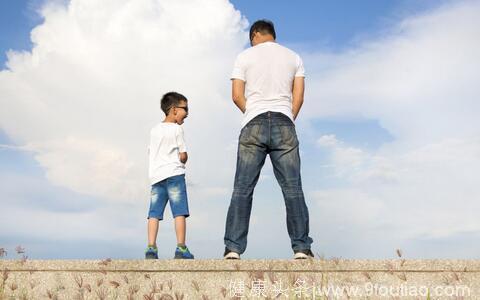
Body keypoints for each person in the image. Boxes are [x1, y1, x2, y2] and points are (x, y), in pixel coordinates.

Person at [224, 20, 314, 259]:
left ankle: (233, 248)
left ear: (255, 34)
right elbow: (299, 96)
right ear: (272, 35)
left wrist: (252, 112)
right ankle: (301, 248)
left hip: (253, 121)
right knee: (292, 188)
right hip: (285, 122)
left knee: (243, 188)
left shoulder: (244, 57)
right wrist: (287, 117)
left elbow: (236, 95)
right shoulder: (294, 57)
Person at [145, 92, 194, 259]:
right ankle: (181, 247)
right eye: (185, 109)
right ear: (174, 110)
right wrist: (184, 158)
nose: (187, 113)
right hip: (174, 174)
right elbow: (183, 154)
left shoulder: (154, 130)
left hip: (157, 177)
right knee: (179, 212)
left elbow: (151, 152)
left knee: (154, 213)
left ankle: (151, 247)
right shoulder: (177, 129)